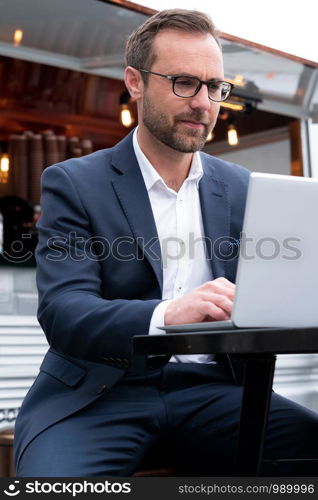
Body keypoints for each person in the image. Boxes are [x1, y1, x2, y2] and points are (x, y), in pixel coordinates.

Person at [14, 9, 318, 477]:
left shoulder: (243, 188)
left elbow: (278, 297)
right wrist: (166, 314)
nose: (204, 103)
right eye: (184, 82)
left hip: (214, 392)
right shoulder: (74, 182)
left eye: (215, 87)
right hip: (100, 394)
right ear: (135, 82)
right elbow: (64, 311)